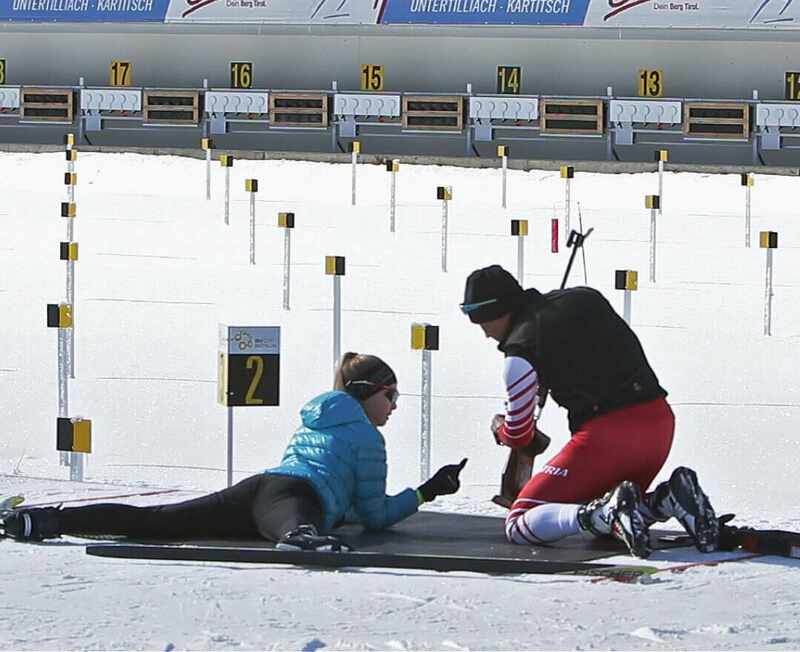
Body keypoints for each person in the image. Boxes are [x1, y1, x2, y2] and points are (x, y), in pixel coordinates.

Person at [1, 352, 467, 551]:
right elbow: (374, 515)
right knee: (296, 532)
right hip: (295, 500)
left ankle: (45, 520)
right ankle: (301, 536)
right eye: (391, 396)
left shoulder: (319, 415)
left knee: (158, 520)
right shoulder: (368, 436)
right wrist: (428, 492)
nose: (393, 408)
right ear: (369, 393)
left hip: (261, 488)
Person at [460, 264, 717, 559]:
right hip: (659, 424)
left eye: (480, 322)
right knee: (612, 505)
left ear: (494, 312)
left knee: (520, 522)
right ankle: (665, 500)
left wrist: (500, 427)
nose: (484, 333)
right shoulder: (584, 297)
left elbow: (519, 435)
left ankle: (604, 515)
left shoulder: (519, 355)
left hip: (606, 439)